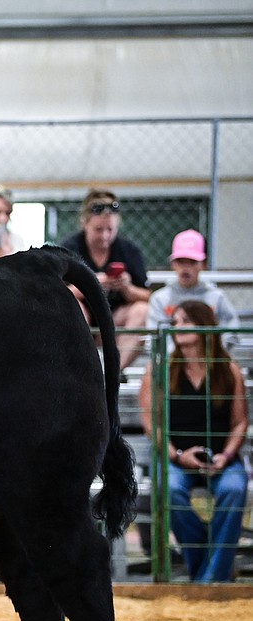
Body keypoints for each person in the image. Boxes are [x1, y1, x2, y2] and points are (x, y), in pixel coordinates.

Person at [138, 301, 248, 582]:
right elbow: (153, 425)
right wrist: (178, 455)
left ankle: (206, 579)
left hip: (222, 457)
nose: (177, 328)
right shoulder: (159, 368)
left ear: (204, 326)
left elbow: (239, 422)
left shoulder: (228, 369)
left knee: (234, 489)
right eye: (175, 323)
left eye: (185, 321)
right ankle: (213, 575)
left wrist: (225, 456)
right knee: (170, 489)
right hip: (178, 458)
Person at [60, 189, 151, 371]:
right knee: (73, 306)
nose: (104, 236)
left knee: (142, 310)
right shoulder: (70, 249)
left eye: (110, 230)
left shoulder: (128, 250)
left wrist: (127, 288)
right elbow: (57, 293)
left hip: (114, 321)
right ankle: (84, 370)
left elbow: (146, 295)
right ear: (85, 223)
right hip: (83, 321)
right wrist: (90, 284)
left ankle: (114, 371)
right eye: (98, 230)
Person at [147, 229, 240, 349]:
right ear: (173, 264)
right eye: (180, 261)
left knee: (233, 368)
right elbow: (154, 337)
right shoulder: (160, 299)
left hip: (210, 362)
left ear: (204, 264)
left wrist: (212, 354)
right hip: (171, 363)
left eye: (192, 262)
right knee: (150, 367)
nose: (185, 268)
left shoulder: (216, 297)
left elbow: (231, 330)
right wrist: (178, 358)